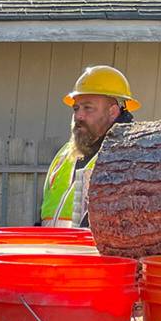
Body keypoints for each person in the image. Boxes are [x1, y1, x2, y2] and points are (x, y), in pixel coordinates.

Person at [40, 65, 140, 227]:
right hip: (53, 250)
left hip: (94, 252)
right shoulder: (64, 155)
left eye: (88, 108)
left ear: (113, 112)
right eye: (76, 108)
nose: (78, 115)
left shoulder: (129, 156)